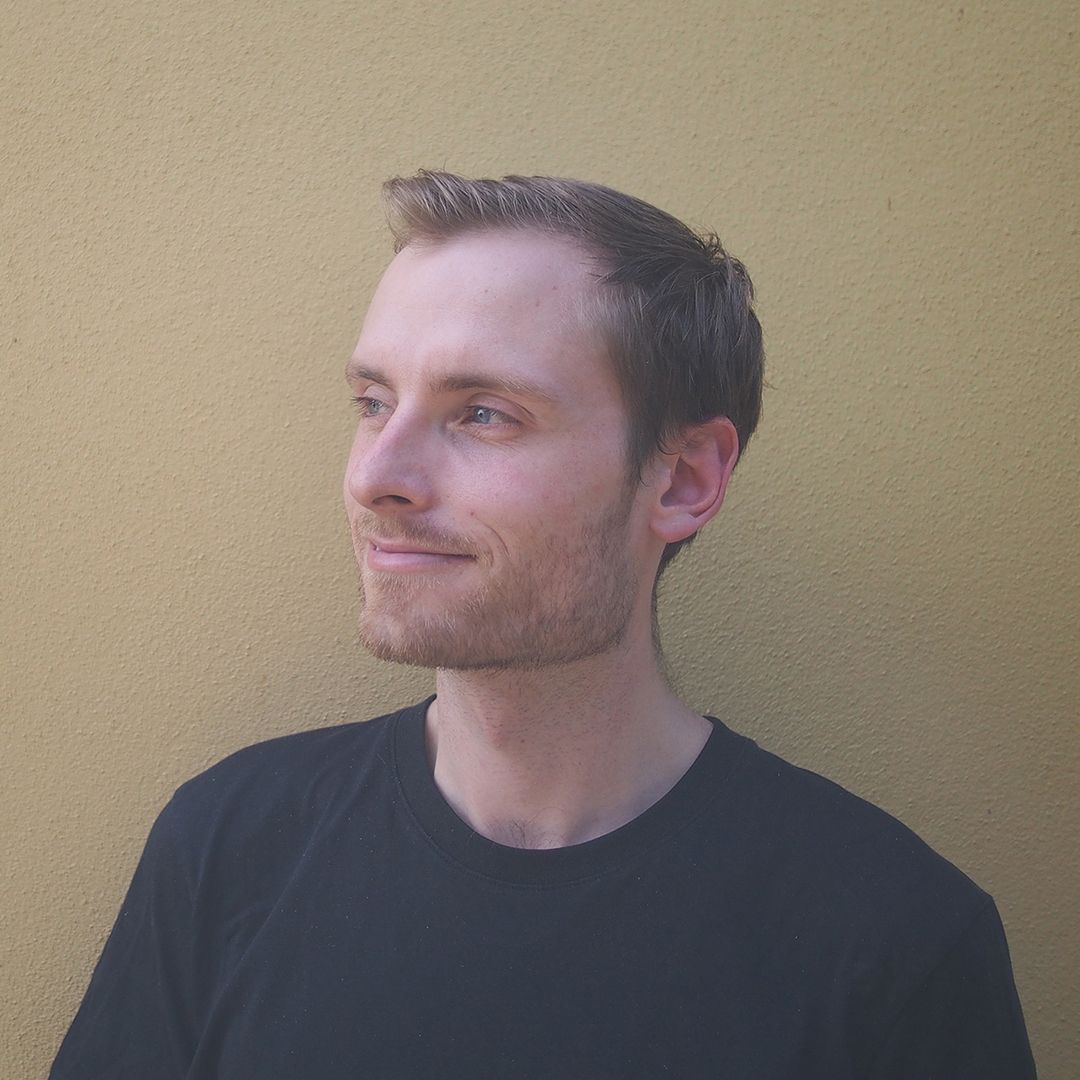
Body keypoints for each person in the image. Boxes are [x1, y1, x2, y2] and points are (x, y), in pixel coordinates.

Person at [51, 171, 1036, 1079]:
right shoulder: (227, 848)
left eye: (484, 413)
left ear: (684, 479)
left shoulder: (893, 942)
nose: (373, 477)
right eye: (372, 400)